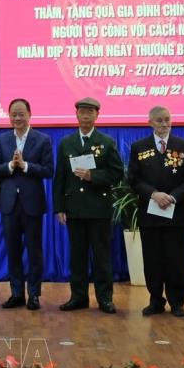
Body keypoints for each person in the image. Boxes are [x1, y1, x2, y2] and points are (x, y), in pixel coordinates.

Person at [54, 97, 124, 314]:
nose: (85, 116)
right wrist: (59, 207)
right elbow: (60, 178)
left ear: (97, 115)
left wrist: (93, 176)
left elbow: (117, 173)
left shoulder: (106, 142)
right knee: (77, 257)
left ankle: (105, 299)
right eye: (82, 112)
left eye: (90, 112)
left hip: (99, 208)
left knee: (102, 257)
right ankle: (78, 297)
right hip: (74, 208)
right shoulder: (66, 143)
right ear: (76, 114)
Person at [127, 105, 184, 317]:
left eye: (167, 119)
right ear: (150, 123)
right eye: (159, 120)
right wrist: (154, 194)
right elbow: (133, 179)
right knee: (152, 260)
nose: (164, 124)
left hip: (176, 212)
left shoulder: (183, 146)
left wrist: (173, 197)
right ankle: (156, 300)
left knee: (176, 260)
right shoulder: (139, 147)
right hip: (150, 213)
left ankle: (177, 302)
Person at [0, 98, 54, 310]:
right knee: (13, 250)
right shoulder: (2, 140)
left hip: (32, 203)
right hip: (9, 204)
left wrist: (26, 166)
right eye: (13, 114)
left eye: (21, 114)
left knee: (34, 251)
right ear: (9, 117)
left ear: (29, 115)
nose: (17, 118)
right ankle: (16, 293)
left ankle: (34, 294)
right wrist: (10, 165)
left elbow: (48, 170)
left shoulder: (42, 139)